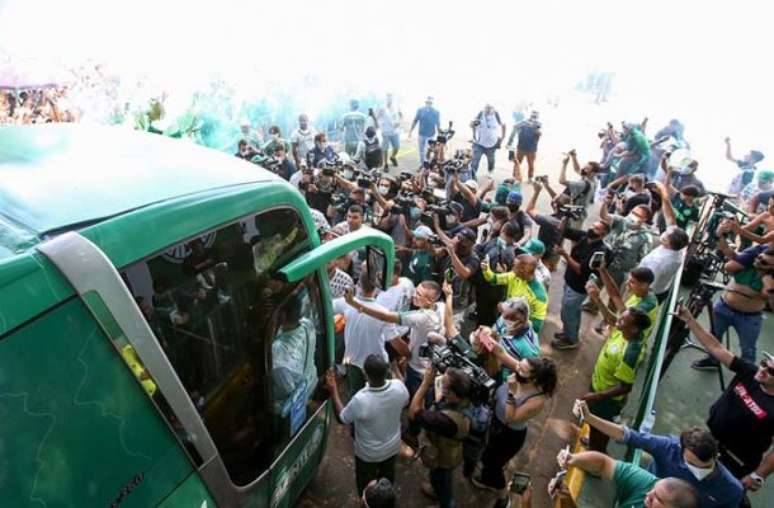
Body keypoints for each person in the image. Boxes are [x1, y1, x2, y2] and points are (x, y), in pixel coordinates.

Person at [673, 305, 774, 498]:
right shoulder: (749, 372)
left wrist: (758, 475)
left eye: (771, 371)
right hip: (709, 442)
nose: (763, 370)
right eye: (764, 364)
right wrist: (690, 320)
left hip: (735, 462)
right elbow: (715, 347)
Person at [575, 400, 744, 508]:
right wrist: (590, 418)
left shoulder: (732, 490)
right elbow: (628, 435)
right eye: (688, 463)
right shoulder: (670, 448)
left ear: (716, 457)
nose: (692, 470)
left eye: (702, 466)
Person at [472, 356, 557, 508]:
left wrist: (511, 393)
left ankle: (503, 497)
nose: (516, 369)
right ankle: (488, 479)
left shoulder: (537, 400)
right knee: (488, 456)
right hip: (496, 423)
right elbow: (501, 353)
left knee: (494, 466)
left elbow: (509, 418)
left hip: (508, 435)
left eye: (522, 369)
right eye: (519, 365)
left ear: (534, 378)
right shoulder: (521, 373)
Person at [692, 224, 774, 368]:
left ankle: (746, 375)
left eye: (763, 262)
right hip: (723, 306)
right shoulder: (748, 262)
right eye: (759, 257)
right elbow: (728, 252)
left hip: (749, 317)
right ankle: (712, 360)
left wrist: (768, 288)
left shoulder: (770, 281)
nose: (758, 260)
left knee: (748, 349)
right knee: (714, 337)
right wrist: (719, 235)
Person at [347, 280, 444, 401]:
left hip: (418, 371)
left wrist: (354, 304)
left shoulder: (422, 318)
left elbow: (384, 316)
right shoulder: (440, 307)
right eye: (416, 291)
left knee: (414, 403)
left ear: (430, 301)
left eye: (419, 294)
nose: (414, 295)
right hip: (421, 363)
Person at [325, 355, 409, 495]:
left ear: (365, 374)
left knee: (366, 489)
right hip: (392, 448)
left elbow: (342, 418)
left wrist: (334, 390)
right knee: (387, 482)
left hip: (368, 455)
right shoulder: (399, 387)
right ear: (387, 370)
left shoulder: (361, 399)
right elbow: (406, 401)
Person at [581, 307, 651, 452]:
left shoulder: (630, 352)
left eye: (623, 320)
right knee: (596, 424)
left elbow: (626, 387)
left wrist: (597, 396)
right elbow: (612, 319)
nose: (618, 320)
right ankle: (594, 443)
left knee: (601, 426)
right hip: (599, 386)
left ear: (634, 329)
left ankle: (597, 454)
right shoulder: (622, 332)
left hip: (605, 399)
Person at [410, 366, 472, 508]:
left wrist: (425, 383)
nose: (439, 385)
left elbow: (414, 412)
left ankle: (445, 503)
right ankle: (436, 490)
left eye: (443, 385)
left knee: (442, 482)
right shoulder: (467, 397)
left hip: (444, 457)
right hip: (453, 450)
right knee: (440, 477)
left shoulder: (445, 420)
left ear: (454, 395)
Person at [333, 276, 406, 398]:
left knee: (356, 395)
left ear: (357, 286)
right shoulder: (384, 313)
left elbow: (326, 306)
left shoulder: (344, 303)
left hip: (353, 362)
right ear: (377, 289)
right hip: (378, 365)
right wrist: (407, 354)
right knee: (382, 395)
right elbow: (395, 342)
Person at [556, 450, 699, 508]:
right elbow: (605, 464)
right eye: (654, 489)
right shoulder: (648, 485)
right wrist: (574, 459)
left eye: (657, 498)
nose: (648, 494)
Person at [551, 220, 612, 350]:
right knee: (573, 312)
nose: (592, 228)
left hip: (578, 288)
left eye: (596, 228)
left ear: (603, 234)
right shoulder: (585, 236)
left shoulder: (599, 251)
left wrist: (565, 255)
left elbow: (580, 269)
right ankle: (569, 333)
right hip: (570, 281)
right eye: (592, 225)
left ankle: (572, 340)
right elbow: (564, 230)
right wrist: (565, 215)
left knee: (568, 313)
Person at [641, 182, 690, 302]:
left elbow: (648, 286)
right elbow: (670, 217)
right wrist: (663, 192)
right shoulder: (677, 246)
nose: (664, 232)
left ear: (668, 243)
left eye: (666, 235)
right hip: (660, 288)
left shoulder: (661, 262)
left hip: (649, 293)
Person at [481, 253, 548, 333]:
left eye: (514, 266)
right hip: (503, 322)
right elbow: (494, 279)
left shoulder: (539, 296)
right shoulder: (514, 275)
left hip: (517, 334)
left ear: (524, 271)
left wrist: (509, 312)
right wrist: (486, 269)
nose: (512, 269)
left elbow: (536, 327)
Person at [589, 265, 658, 339]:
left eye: (632, 282)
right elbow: (615, 296)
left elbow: (615, 322)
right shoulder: (644, 293)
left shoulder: (644, 307)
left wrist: (597, 299)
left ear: (644, 285)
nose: (627, 283)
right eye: (628, 280)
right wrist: (602, 269)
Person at [469, 103, 506, 177]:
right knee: (475, 160)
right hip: (479, 143)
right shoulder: (480, 115)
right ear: (484, 108)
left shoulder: (496, 116)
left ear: (493, 109)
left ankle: (490, 171)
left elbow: (504, 125)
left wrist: (503, 137)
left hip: (492, 144)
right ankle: (472, 175)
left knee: (491, 160)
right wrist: (473, 133)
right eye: (486, 108)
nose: (488, 110)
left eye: (490, 108)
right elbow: (471, 125)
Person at [510, 110, 542, 180]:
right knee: (517, 162)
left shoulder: (538, 124)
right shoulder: (523, 122)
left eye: (535, 116)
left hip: (532, 148)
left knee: (531, 164)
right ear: (530, 115)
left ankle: (530, 177)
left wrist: (534, 128)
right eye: (532, 115)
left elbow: (539, 134)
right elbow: (515, 126)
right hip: (521, 147)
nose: (533, 118)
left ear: (537, 117)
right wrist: (522, 126)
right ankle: (514, 176)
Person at [409, 96, 440, 163]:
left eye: (430, 102)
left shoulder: (436, 112)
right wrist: (410, 131)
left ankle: (426, 166)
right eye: (427, 102)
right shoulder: (420, 110)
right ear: (425, 102)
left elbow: (438, 124)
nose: (428, 103)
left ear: (432, 103)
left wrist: (440, 135)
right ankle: (422, 165)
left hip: (430, 135)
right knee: (421, 151)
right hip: (421, 134)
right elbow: (415, 120)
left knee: (427, 150)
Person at [377, 94, 402, 169]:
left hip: (395, 131)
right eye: (388, 98)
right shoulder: (382, 108)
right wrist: (380, 126)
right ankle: (385, 164)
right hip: (385, 132)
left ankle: (393, 157)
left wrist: (399, 122)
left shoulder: (397, 107)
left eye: (391, 98)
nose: (389, 100)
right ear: (385, 99)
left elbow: (401, 116)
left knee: (397, 146)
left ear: (393, 99)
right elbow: (376, 117)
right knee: (385, 148)